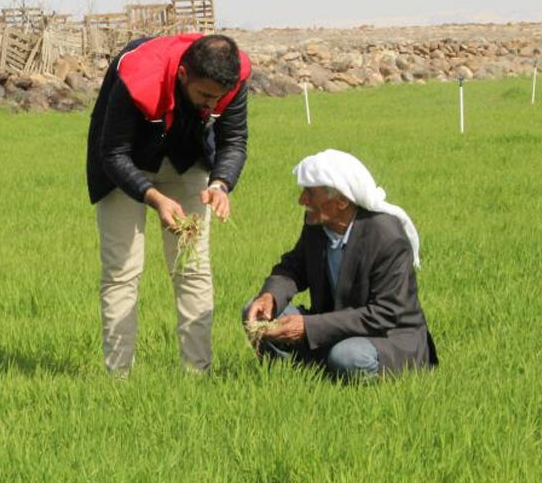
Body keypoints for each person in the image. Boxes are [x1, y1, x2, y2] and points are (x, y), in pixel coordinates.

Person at [86, 34, 251, 374]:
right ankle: (118, 377)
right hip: (124, 161)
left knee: (193, 266)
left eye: (218, 98)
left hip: (185, 160)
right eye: (205, 95)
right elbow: (113, 153)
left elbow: (234, 140)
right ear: (183, 74)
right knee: (122, 270)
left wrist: (220, 184)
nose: (211, 105)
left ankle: (198, 373)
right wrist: (155, 198)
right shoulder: (137, 75)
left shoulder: (231, 78)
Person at [243, 149, 438, 380]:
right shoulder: (317, 224)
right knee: (254, 312)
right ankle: (297, 374)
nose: (302, 200)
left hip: (388, 336)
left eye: (309, 193)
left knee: (348, 357)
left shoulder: (387, 237)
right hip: (336, 327)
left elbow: (385, 313)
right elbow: (293, 267)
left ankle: (332, 369)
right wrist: (270, 297)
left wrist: (308, 327)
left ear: (342, 200)